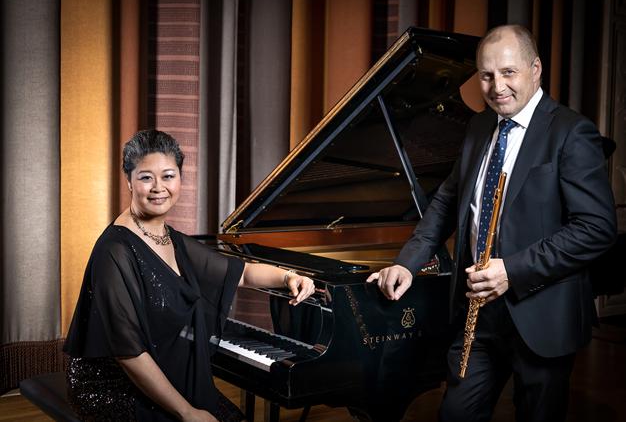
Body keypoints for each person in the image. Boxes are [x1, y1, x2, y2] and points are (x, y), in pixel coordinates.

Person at [367, 24, 617, 422]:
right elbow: (447, 200)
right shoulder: (481, 125)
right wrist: (407, 262)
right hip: (478, 309)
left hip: (541, 313)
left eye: (508, 72)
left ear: (535, 69)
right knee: (456, 414)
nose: (497, 86)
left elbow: (597, 228)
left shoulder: (571, 132)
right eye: (486, 75)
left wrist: (512, 271)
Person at [64, 129, 316, 422]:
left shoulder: (171, 239)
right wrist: (186, 413)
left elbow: (243, 274)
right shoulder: (114, 251)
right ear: (129, 182)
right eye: (146, 177)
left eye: (168, 176)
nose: (159, 187)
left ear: (180, 179)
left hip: (159, 367)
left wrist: (289, 278)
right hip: (113, 385)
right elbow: (128, 353)